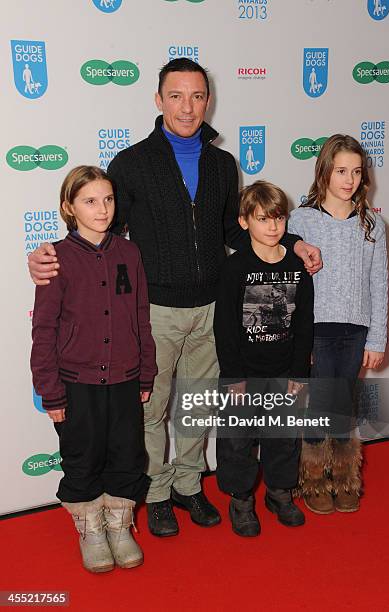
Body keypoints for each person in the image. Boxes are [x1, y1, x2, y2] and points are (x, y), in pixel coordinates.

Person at [28, 58, 322, 537]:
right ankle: (157, 493)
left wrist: (292, 243)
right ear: (158, 99)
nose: (188, 107)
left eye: (198, 96)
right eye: (178, 95)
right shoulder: (130, 163)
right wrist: (45, 256)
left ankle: (189, 485)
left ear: (209, 100)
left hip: (211, 308)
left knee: (198, 406)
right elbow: (100, 230)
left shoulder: (224, 164)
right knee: (150, 408)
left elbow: (236, 229)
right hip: (153, 311)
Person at [31, 166, 157, 573]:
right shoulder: (56, 258)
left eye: (107, 199)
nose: (101, 209)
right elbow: (44, 328)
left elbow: (140, 316)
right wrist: (50, 389)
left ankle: (120, 526)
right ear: (69, 207)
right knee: (81, 458)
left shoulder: (129, 252)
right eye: (89, 201)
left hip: (124, 378)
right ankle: (90, 529)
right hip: (76, 382)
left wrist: (145, 370)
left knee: (126, 454)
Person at [288, 134, 388, 515]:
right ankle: (312, 479)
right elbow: (292, 284)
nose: (348, 179)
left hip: (355, 331)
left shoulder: (373, 225)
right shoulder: (301, 220)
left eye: (356, 172)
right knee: (315, 405)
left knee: (343, 406)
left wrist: (376, 338)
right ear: (324, 171)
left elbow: (379, 285)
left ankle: (345, 478)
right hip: (315, 330)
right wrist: (299, 338)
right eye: (341, 170)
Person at [214, 181, 314, 537]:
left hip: (284, 371)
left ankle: (279, 494)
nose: (272, 227)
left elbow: (304, 324)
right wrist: (233, 377)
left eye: (278, 218)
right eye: (262, 219)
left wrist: (299, 373)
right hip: (243, 374)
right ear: (244, 222)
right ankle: (241, 500)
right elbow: (224, 328)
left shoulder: (298, 268)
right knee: (238, 440)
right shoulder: (234, 268)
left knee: (284, 438)